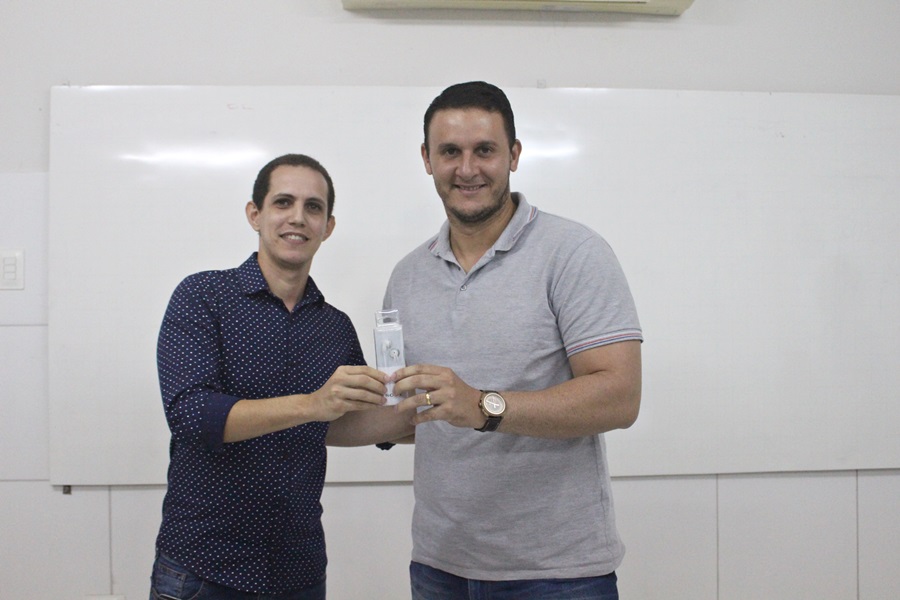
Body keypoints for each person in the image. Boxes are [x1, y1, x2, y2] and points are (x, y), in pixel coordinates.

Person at [384, 81, 644, 599]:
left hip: (558, 574)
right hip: (439, 568)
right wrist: (320, 410)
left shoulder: (573, 252)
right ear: (427, 160)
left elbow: (620, 396)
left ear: (515, 155)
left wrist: (483, 405)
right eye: (450, 152)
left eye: (485, 150)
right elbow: (410, 414)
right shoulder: (407, 275)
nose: (467, 169)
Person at [150, 153, 404, 599]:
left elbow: (346, 423)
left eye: (313, 207)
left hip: (298, 572)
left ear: (328, 226)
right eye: (283, 202)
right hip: (204, 569)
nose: (298, 218)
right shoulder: (203, 296)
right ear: (255, 214)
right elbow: (193, 416)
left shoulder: (335, 327)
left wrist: (432, 409)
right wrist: (313, 404)